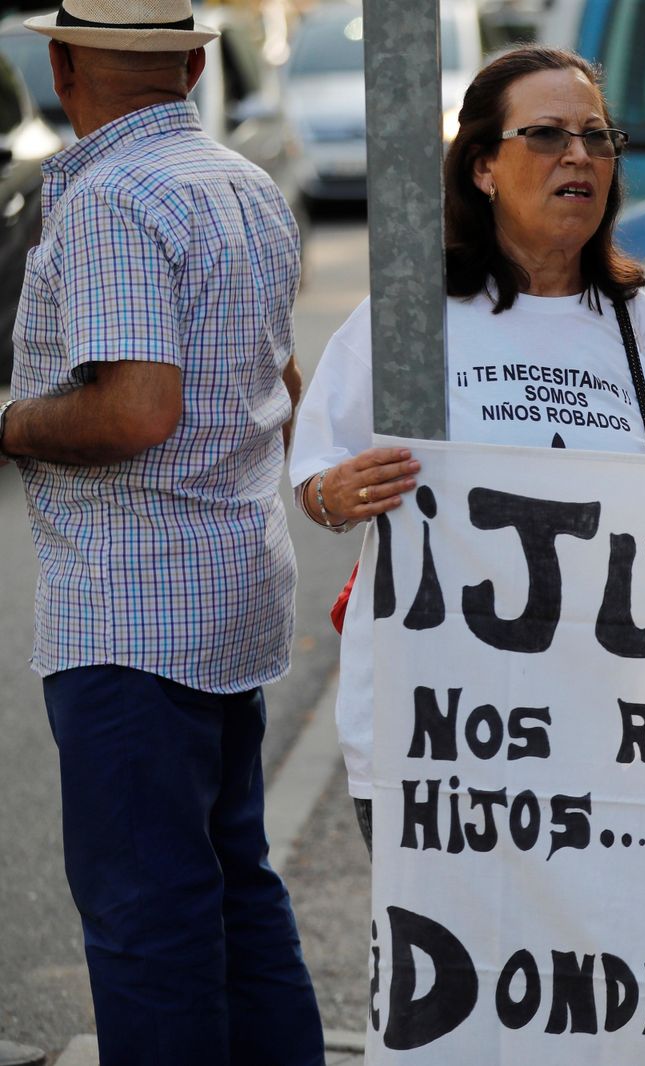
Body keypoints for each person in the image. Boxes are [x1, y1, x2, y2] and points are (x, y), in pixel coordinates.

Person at [289, 44, 645, 850]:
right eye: (548, 135)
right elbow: (316, 479)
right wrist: (338, 495)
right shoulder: (415, 315)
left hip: (598, 733)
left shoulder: (632, 327)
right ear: (483, 166)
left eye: (597, 136)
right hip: (437, 732)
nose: (580, 156)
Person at [0, 1, 323, 1063]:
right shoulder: (247, 184)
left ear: (57, 64)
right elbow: (281, 381)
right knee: (234, 885)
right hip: (232, 590)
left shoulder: (110, 198)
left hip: (132, 611)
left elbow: (138, 410)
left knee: (149, 918)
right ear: (192, 65)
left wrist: (10, 421)